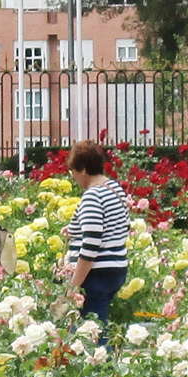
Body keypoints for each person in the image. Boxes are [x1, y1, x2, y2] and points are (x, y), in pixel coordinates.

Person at [63, 140, 130, 326]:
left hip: (96, 275)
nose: (73, 177)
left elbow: (91, 246)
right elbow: (121, 226)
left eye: (73, 171)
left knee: (92, 333)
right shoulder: (114, 189)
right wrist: (75, 229)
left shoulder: (93, 196)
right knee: (97, 325)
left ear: (83, 169)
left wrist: (74, 286)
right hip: (116, 268)